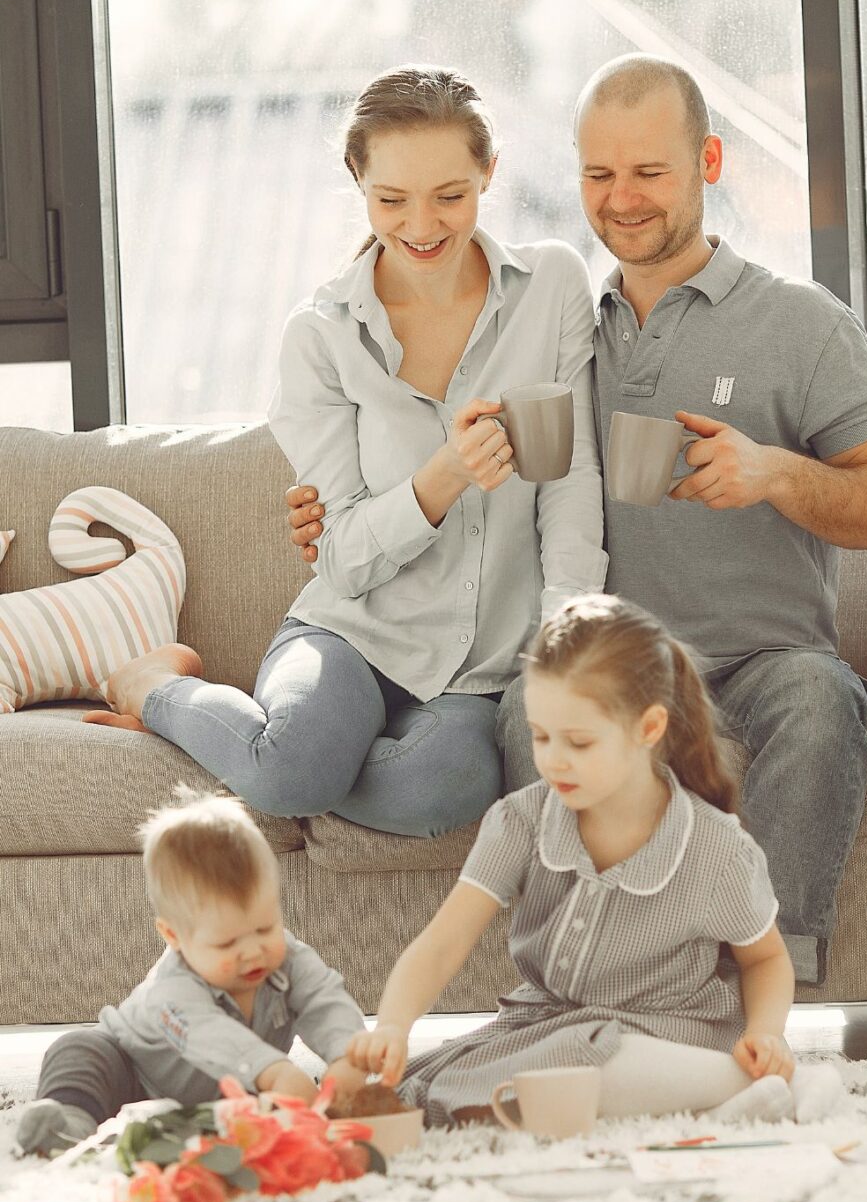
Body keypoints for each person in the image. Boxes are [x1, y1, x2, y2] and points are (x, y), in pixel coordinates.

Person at [288, 56, 867, 981]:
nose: (622, 199)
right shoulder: (567, 323)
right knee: (526, 710)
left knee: (821, 700)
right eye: (599, 174)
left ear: (709, 162)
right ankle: (590, 980)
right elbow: (429, 431)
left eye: (650, 172)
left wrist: (774, 472)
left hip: (762, 665)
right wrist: (325, 505)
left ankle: (758, 983)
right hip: (616, 673)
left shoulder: (801, 323)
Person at [83, 64, 606, 839]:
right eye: (391, 199)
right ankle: (154, 687)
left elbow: (570, 478)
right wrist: (443, 476)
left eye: (450, 196)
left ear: (490, 174)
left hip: (479, 667)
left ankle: (270, 759)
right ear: (356, 179)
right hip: (350, 634)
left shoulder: (552, 285)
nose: (422, 225)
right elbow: (345, 560)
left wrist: (566, 635)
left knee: (450, 782)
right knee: (293, 768)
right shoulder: (322, 336)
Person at [345, 595, 842, 1129]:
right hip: (548, 1028)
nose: (553, 760)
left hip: (672, 1031)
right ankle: (728, 1101)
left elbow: (765, 960)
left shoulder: (716, 846)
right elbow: (444, 943)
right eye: (540, 737)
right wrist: (394, 1025)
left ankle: (766, 1085)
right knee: (431, 1092)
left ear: (648, 728)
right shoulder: (521, 821)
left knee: (586, 1059)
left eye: (578, 742)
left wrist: (765, 1033)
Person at [16, 790, 368, 1157]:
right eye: (226, 942)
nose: (253, 951)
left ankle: (173, 1134)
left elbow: (324, 1001)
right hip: (132, 1071)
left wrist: (346, 1056)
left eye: (265, 928)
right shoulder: (173, 988)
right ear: (174, 936)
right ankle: (69, 1126)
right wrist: (274, 1071)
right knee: (79, 1050)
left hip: (220, 1096)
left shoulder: (290, 960)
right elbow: (208, 1034)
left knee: (259, 1116)